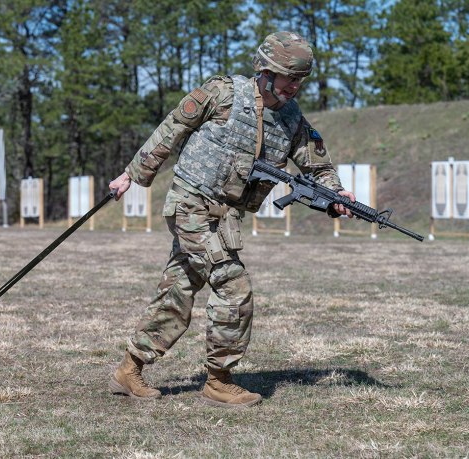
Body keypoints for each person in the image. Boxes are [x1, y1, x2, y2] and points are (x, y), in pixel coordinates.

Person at [107, 31, 356, 407]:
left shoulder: (291, 119)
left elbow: (316, 165)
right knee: (233, 285)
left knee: (179, 290)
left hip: (225, 217)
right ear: (266, 70)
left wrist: (336, 195)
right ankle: (219, 380)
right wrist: (133, 174)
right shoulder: (222, 93)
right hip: (190, 204)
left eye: (300, 79)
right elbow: (172, 128)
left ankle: (129, 369)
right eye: (289, 76)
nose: (294, 86)